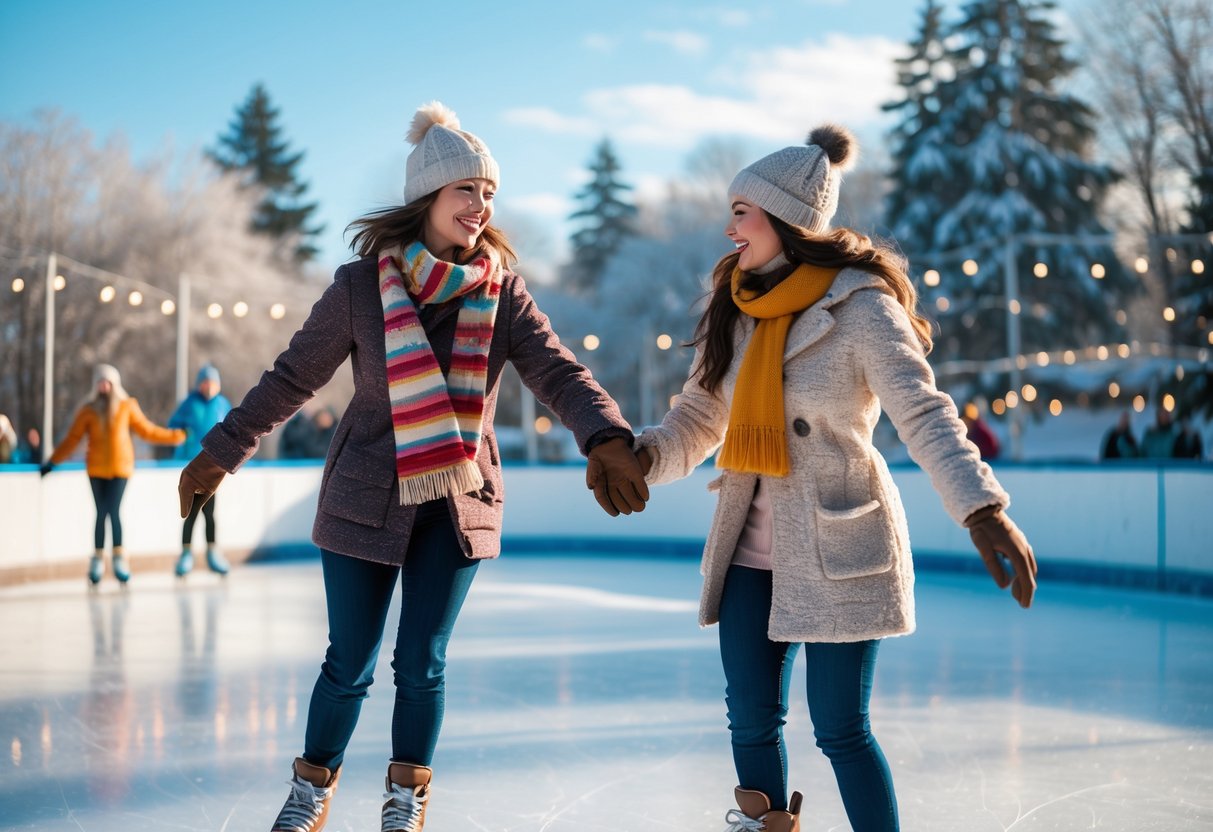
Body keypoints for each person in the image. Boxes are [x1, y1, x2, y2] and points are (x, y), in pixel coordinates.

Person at [176, 101, 648, 832]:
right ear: (428, 196)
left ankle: (405, 800)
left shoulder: (502, 291)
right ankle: (312, 791)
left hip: (458, 499)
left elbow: (558, 371)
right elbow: (293, 376)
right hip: (366, 493)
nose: (480, 205)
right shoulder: (360, 288)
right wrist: (221, 451)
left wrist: (604, 436)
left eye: (488, 193)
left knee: (422, 663)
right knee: (350, 660)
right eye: (467, 190)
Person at [596, 125, 1037, 832]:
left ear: (785, 220)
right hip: (748, 548)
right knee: (750, 720)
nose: (730, 226)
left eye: (743, 210)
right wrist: (646, 455)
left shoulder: (861, 308)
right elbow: (699, 418)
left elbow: (922, 414)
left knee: (839, 730)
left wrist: (979, 507)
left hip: (838, 542)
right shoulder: (732, 308)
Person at [41, 364, 186, 585]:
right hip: (97, 469)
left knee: (113, 511)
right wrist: (52, 461)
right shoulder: (88, 410)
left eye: (108, 382)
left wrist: (176, 436)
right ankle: (97, 560)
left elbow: (147, 430)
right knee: (101, 513)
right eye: (100, 382)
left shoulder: (127, 407)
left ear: (115, 384)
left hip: (120, 469)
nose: (104, 386)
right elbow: (73, 439)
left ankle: (119, 559)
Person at [169, 364, 233, 576]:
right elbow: (174, 425)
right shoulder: (189, 403)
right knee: (191, 511)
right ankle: (186, 553)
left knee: (210, 512)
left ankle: (212, 552)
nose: (209, 386)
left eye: (213, 382)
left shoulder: (223, 404)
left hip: (214, 467)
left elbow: (234, 430)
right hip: (193, 466)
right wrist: (183, 435)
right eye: (205, 382)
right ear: (199, 384)